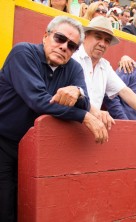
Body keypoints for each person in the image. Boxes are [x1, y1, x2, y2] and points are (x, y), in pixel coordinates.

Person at [0, 15, 111, 222]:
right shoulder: (23, 53)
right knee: (5, 209)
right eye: (59, 38)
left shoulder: (73, 68)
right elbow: (39, 101)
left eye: (71, 46)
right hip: (3, 144)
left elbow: (85, 100)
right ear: (45, 36)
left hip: (36, 153)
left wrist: (77, 92)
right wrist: (84, 117)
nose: (63, 47)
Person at [72, 16, 136, 133]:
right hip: (68, 124)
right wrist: (96, 113)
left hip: (90, 130)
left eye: (107, 40)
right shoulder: (72, 57)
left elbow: (124, 91)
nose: (102, 43)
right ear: (85, 37)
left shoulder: (104, 65)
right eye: (98, 37)